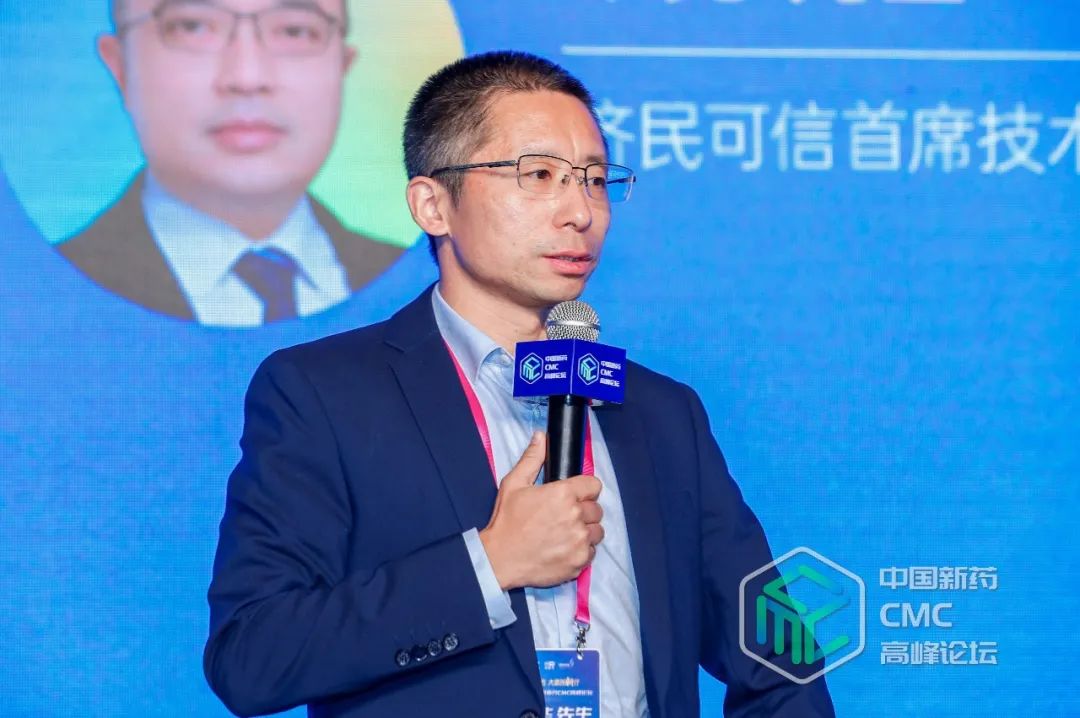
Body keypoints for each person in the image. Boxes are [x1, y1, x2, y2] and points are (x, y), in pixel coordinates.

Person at [204, 51, 837, 717]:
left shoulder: (660, 412)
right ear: (433, 205)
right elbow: (252, 657)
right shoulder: (324, 394)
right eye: (539, 175)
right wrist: (488, 563)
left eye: (595, 180)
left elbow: (779, 656)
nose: (580, 212)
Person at [58, 0, 402, 326]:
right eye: (192, 27)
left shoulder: (414, 282)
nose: (247, 77)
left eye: (295, 31)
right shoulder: (47, 298)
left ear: (343, 65)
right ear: (120, 67)